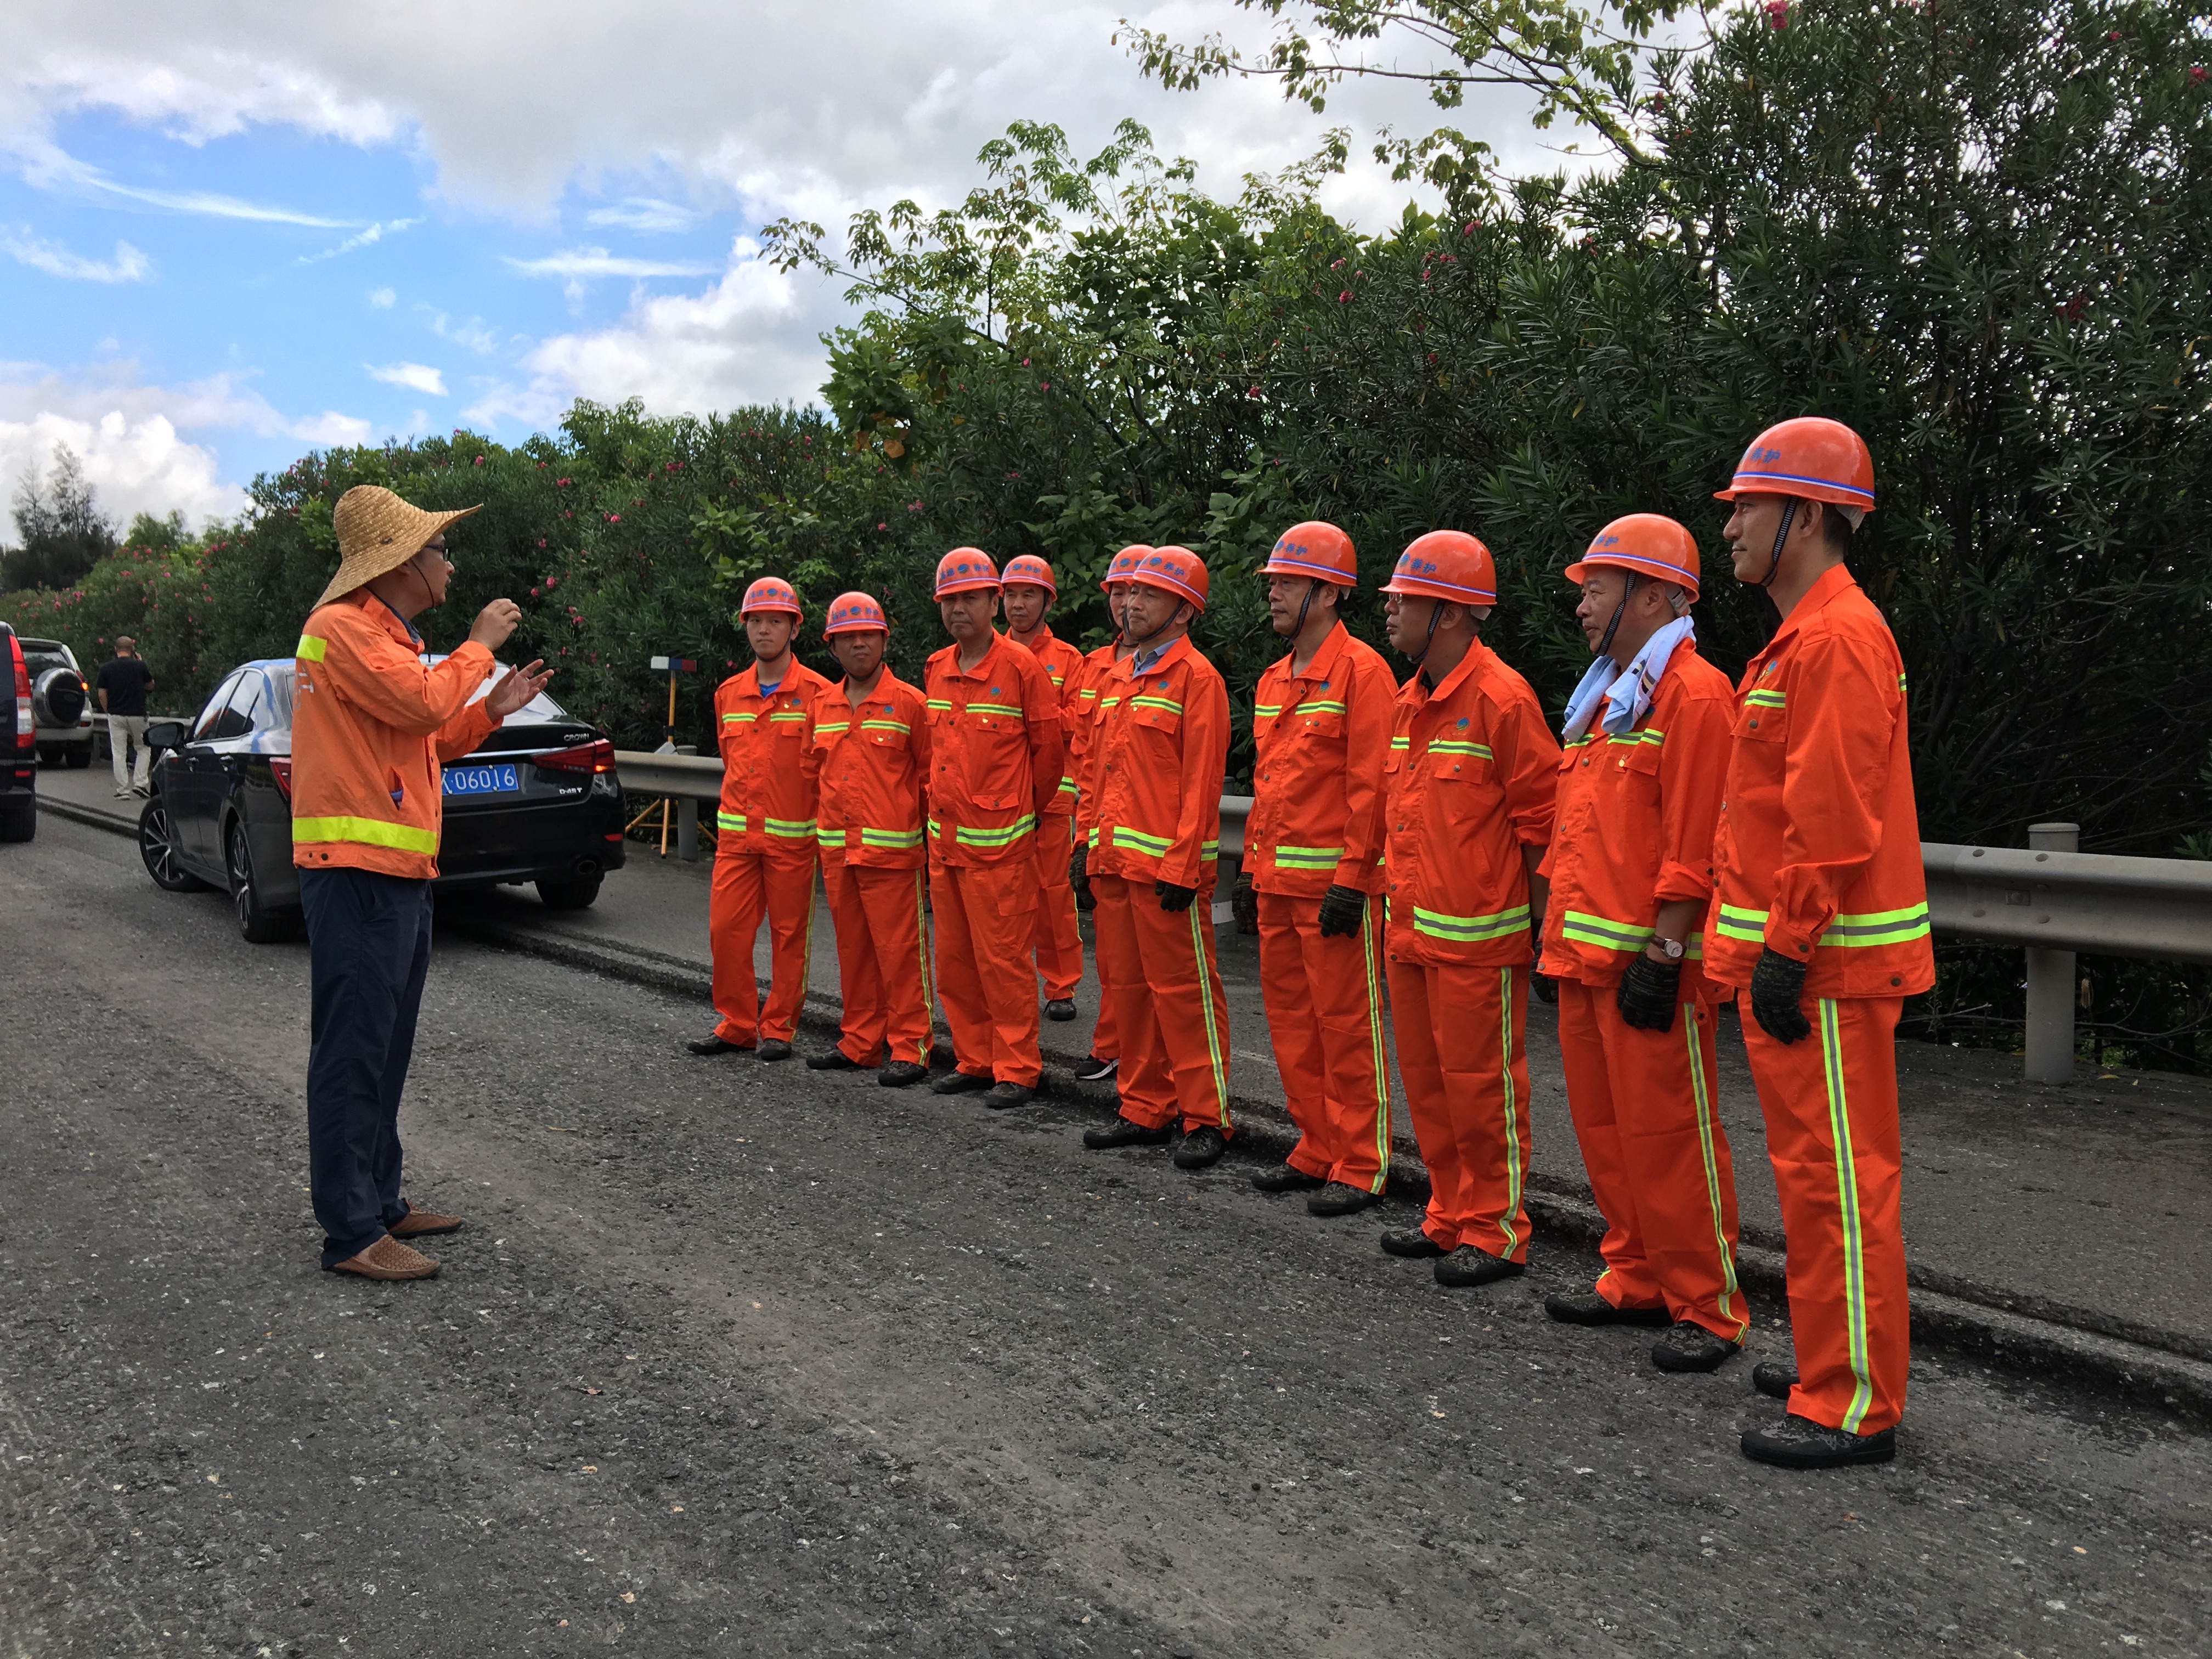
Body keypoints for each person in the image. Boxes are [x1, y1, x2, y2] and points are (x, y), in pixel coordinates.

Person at [1709, 417, 1933, 1470]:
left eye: (1747, 509)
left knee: (1838, 1180)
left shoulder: (1837, 637)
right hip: (1805, 958)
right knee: (1809, 1174)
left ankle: (1850, 1402)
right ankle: (1826, 1359)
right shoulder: (1806, 634)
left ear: (1803, 515)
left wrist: (1789, 946)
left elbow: (1832, 819)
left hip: (1827, 963)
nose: (1733, 530)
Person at [291, 484, 550, 1282]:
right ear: (403, 563)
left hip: (398, 873)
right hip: (359, 875)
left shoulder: (387, 636)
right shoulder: (339, 630)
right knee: (354, 1052)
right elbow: (418, 704)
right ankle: (351, 1233)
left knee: (386, 1048)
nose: (449, 561)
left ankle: (381, 1202)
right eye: (440, 550)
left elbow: (424, 745)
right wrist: (479, 647)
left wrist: (492, 710)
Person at [1536, 515, 1746, 1373]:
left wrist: (1664, 958)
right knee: (1606, 1129)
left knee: (1670, 1135)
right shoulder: (1604, 697)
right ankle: (1635, 1275)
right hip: (1585, 957)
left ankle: (1707, 1304)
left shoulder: (1694, 695)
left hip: (1647, 966)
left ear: (1652, 593)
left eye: (1596, 588)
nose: (1582, 605)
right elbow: (1579, 831)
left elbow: (1695, 843)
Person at [1376, 531, 1559, 1288]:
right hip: (1413, 933)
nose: (1389, 611)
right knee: (1429, 1084)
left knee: (1483, 1091)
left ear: (1449, 614)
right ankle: (1449, 1214)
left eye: (1404, 601)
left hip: (1479, 944)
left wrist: (1546, 933)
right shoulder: (1408, 699)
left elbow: (1543, 827)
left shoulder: (1502, 701)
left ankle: (1496, 1228)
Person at [1235, 522, 1395, 1217]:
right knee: (1293, 1026)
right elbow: (1271, 786)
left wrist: (1352, 881)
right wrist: (1249, 870)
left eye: (1289, 583)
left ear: (1329, 593)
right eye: (1273, 582)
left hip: (1332, 892)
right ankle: (1315, 1146)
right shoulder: (1275, 680)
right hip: (1277, 885)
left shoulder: (1362, 672)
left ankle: (1360, 1163)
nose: (1274, 592)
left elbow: (1372, 787)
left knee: (1345, 1027)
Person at [1074, 546, 1234, 1170]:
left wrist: (1184, 864)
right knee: (1131, 993)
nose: (1132, 604)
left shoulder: (1198, 680)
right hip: (1115, 866)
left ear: (1183, 612)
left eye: (1149, 596)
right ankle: (1143, 1106)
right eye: (1129, 593)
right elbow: (1096, 771)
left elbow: (1201, 783)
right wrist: (1086, 845)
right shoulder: (1115, 678)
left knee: (1185, 995)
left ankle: (1206, 1116)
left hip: (1166, 874)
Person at [922, 549, 1065, 1107]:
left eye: (971, 599)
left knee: (1004, 963)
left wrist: (1015, 815)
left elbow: (1048, 757)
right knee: (956, 962)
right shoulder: (937, 667)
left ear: (993, 601)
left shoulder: (1021, 668)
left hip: (1001, 850)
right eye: (950, 601)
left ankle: (1017, 1067)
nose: (959, 609)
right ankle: (975, 1059)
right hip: (948, 847)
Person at [690, 578, 830, 1063]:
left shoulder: (820, 695)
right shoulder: (729, 693)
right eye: (756, 621)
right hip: (736, 839)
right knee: (725, 930)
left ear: (794, 628)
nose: (764, 630)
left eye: (775, 621)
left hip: (793, 839)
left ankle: (779, 1028)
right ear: (745, 626)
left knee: (790, 937)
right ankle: (736, 1023)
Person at [806, 591, 935, 1087]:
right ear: (833, 647)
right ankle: (860, 1041)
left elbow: (929, 778)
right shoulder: (823, 706)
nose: (859, 644)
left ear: (883, 640)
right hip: (839, 851)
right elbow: (812, 774)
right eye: (848, 638)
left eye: (868, 635)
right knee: (853, 950)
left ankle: (911, 1047)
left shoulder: (911, 704)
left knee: (901, 951)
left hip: (892, 854)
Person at [1065, 545, 1150, 1084]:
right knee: (1111, 957)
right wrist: (1082, 839)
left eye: (1134, 591)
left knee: (1148, 969)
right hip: (1101, 828)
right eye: (1117, 591)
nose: (1124, 601)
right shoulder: (1093, 666)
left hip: (1146, 839)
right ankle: (1111, 1045)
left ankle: (1134, 1057)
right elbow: (1084, 758)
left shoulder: (1178, 671)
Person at [1000, 554, 1086, 1023]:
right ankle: (1008, 986)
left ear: (1048, 601)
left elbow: (1077, 722)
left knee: (1054, 896)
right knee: (1005, 900)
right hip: (995, 801)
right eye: (1011, 594)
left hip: (1051, 798)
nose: (1018, 604)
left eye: (1028, 594)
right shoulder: (987, 654)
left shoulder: (1068, 660)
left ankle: (1060, 985)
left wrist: (1029, 720)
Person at [95, 635, 155, 797]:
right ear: (132, 650)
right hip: (137, 714)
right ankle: (140, 783)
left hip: (116, 715)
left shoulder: (106, 668)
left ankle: (123, 790)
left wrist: (109, 711)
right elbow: (151, 685)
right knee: (143, 748)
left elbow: (102, 693)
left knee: (119, 752)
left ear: (116, 650)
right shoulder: (140, 666)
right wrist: (140, 663)